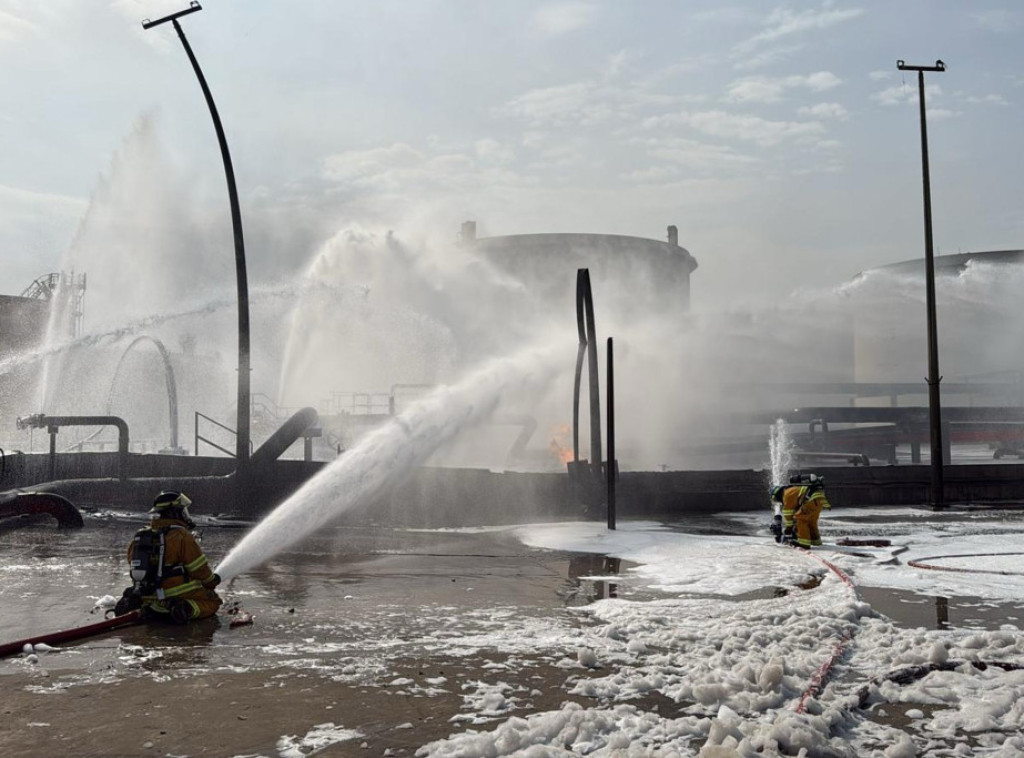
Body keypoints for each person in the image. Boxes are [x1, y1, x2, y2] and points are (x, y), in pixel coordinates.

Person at [114, 491, 222, 624]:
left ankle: (137, 603)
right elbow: (199, 569)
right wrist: (212, 581)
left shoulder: (142, 535)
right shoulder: (181, 536)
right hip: (176, 594)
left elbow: (132, 560)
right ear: (174, 512)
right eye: (183, 511)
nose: (185, 514)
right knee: (213, 601)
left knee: (151, 602)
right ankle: (185, 609)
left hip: (148, 594)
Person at [769, 474, 832, 548]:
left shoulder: (786, 495)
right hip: (818, 500)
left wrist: (787, 530)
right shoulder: (792, 490)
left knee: (800, 518)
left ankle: (803, 543)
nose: (780, 502)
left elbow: (789, 517)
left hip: (811, 500)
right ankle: (816, 541)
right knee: (811, 521)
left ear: (777, 495)